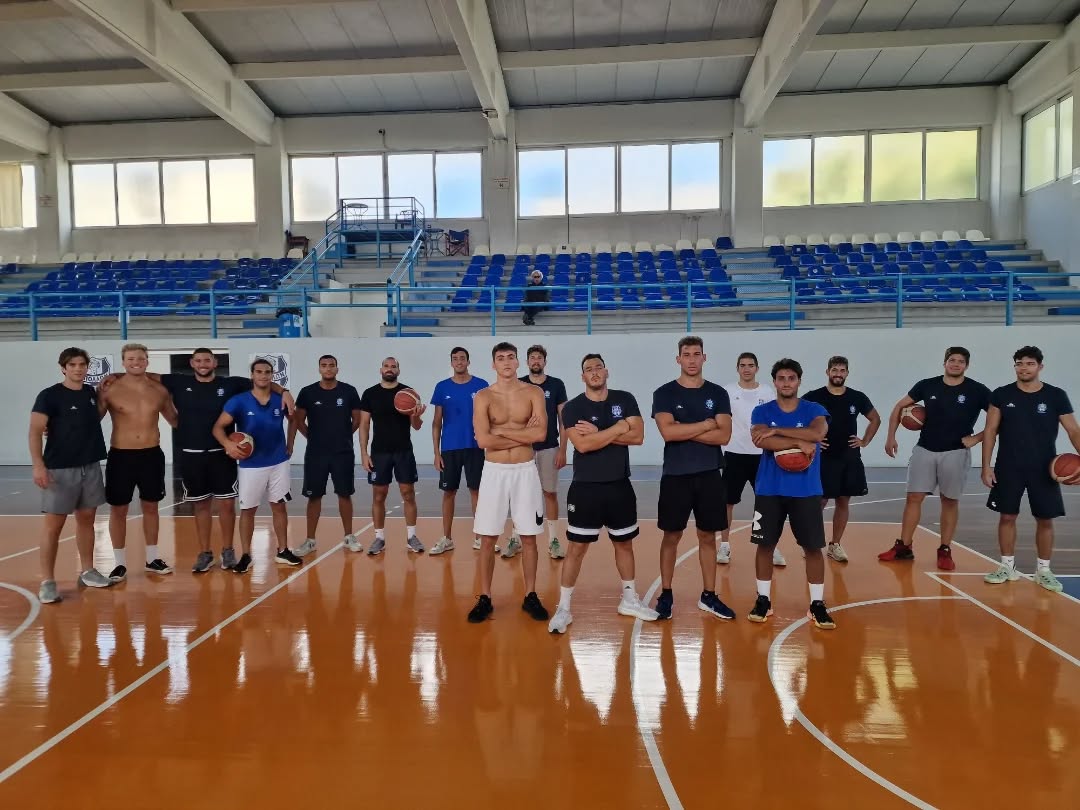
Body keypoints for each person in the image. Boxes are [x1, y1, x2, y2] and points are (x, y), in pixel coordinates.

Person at [102, 348, 294, 574]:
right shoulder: (178, 382)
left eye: (207, 360)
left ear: (215, 363)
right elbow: (145, 373)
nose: (203, 364)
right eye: (199, 360)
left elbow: (262, 381)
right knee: (201, 505)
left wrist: (285, 391)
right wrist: (115, 374)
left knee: (226, 505)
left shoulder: (230, 384)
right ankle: (205, 553)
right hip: (191, 454)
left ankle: (228, 550)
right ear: (192, 363)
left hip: (222, 453)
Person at [547, 354, 658, 633]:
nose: (594, 372)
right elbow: (582, 445)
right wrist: (619, 427)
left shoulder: (625, 399)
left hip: (619, 485)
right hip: (585, 487)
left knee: (624, 544)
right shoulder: (573, 408)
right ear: (582, 376)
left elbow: (638, 437)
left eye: (598, 367)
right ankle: (564, 608)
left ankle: (629, 599)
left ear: (606, 372)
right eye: (589, 369)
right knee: (576, 548)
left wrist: (599, 432)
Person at [879, 347, 990, 571]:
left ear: (967, 365)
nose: (955, 364)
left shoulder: (977, 390)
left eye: (960, 361)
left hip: (956, 451)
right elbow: (899, 406)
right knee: (913, 497)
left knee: (949, 501)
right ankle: (904, 547)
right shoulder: (927, 385)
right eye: (952, 360)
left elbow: (999, 418)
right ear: (944, 362)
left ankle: (945, 549)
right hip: (925, 449)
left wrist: (977, 438)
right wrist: (891, 436)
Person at [981, 346, 1080, 592]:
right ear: (1014, 366)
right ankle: (1007, 567)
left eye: (1029, 363)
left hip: (1044, 468)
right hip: (1008, 466)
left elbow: (1073, 430)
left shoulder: (1056, 395)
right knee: (1007, 517)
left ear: (1040, 367)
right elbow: (990, 431)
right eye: (1019, 363)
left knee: (1045, 519)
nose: (1023, 368)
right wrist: (986, 466)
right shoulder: (1001, 394)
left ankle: (1043, 571)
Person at [651, 336, 735, 621]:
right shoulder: (664, 393)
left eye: (696, 354)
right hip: (675, 474)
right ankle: (666, 593)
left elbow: (724, 435)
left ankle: (709, 595)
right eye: (686, 354)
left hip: (709, 473)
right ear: (678, 359)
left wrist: (684, 429)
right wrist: (706, 425)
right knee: (671, 536)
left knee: (707, 536)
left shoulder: (718, 393)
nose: (691, 359)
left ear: (704, 358)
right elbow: (668, 432)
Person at [747, 358, 835, 629]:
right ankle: (763, 599)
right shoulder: (761, 411)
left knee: (813, 548)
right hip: (769, 489)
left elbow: (817, 433)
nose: (786, 383)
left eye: (791, 378)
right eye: (781, 378)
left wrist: (778, 431)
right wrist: (797, 440)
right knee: (765, 546)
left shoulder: (814, 409)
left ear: (799, 381)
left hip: (806, 490)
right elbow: (760, 439)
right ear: (774, 382)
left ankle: (817, 603)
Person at [468, 342, 549, 623]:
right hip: (494, 472)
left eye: (510, 357)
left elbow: (540, 435)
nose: (506, 362)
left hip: (525, 471)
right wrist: (522, 434)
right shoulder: (483, 396)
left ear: (517, 363)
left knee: (529, 536)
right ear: (493, 364)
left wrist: (501, 433)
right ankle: (485, 597)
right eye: (500, 358)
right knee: (488, 537)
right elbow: (483, 440)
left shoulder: (533, 392)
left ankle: (530, 595)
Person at [30, 347, 114, 603]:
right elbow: (35, 431)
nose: (78, 369)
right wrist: (38, 466)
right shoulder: (49, 396)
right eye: (72, 365)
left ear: (87, 367)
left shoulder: (90, 393)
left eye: (82, 365)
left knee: (87, 520)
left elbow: (92, 419)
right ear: (63, 368)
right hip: (59, 469)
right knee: (53, 527)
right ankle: (47, 581)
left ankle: (88, 571)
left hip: (90, 466)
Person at [97, 343, 177, 581]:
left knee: (151, 507)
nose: (136, 362)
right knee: (118, 510)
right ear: (123, 362)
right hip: (121, 456)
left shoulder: (159, 390)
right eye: (131, 359)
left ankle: (152, 559)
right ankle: (119, 563)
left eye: (140, 358)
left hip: (151, 455)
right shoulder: (109, 389)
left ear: (147, 361)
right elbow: (89, 420)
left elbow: (175, 420)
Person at [212, 358, 296, 574]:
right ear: (252, 375)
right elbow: (218, 427)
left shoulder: (280, 398)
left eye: (267, 372)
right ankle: (246, 555)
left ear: (272, 375)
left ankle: (283, 550)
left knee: (279, 506)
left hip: (278, 461)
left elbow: (294, 419)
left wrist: (290, 443)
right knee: (248, 510)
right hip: (251, 465)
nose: (263, 375)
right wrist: (228, 444)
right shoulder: (239, 401)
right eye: (259, 372)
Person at [803, 356, 881, 562]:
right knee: (819, 501)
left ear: (847, 373)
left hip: (848, 457)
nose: (838, 374)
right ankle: (811, 543)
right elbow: (797, 418)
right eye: (834, 370)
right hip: (823, 458)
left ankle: (835, 545)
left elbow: (875, 419)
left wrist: (864, 441)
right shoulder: (813, 397)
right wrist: (812, 440)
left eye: (842, 370)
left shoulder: (857, 397)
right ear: (827, 372)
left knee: (843, 501)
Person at [289, 354, 363, 555]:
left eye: (331, 365)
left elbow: (357, 420)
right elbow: (298, 420)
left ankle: (349, 537)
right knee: (314, 497)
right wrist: (311, 437)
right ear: (319, 369)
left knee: (344, 494)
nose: (328, 368)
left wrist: (343, 436)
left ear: (337, 369)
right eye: (324, 365)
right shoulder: (308, 392)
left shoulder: (348, 391)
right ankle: (310, 540)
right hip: (316, 453)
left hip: (343, 453)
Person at [719, 352, 783, 566]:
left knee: (766, 502)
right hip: (733, 454)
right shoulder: (727, 391)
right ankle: (724, 545)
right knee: (727, 503)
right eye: (743, 365)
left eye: (750, 365)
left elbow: (775, 419)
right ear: (737, 368)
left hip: (762, 455)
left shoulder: (767, 391)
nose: (746, 369)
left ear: (757, 368)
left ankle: (769, 545)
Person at [359, 357, 426, 555]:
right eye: (386, 366)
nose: (390, 369)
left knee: (408, 493)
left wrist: (416, 416)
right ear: (381, 369)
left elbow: (416, 426)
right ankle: (379, 538)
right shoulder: (370, 394)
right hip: (379, 452)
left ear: (398, 370)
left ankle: (412, 537)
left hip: (403, 450)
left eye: (393, 366)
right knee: (379, 495)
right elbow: (364, 425)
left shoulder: (408, 393)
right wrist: (363, 453)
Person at [429, 347, 489, 555]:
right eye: (455, 359)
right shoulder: (442, 387)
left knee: (477, 492)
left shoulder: (481, 385)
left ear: (468, 362)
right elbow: (436, 422)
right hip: (449, 448)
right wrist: (436, 453)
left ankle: (480, 538)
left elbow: (489, 417)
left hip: (475, 448)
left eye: (462, 358)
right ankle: (446, 538)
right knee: (449, 492)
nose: (459, 362)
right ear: (451, 363)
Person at [518, 344, 568, 560]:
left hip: (549, 447)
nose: (536, 361)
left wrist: (563, 449)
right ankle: (515, 538)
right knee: (521, 495)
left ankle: (553, 540)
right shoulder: (519, 384)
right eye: (532, 357)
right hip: (524, 448)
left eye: (539, 357)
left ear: (544, 362)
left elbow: (563, 420)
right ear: (527, 362)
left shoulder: (556, 385)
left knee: (550, 493)